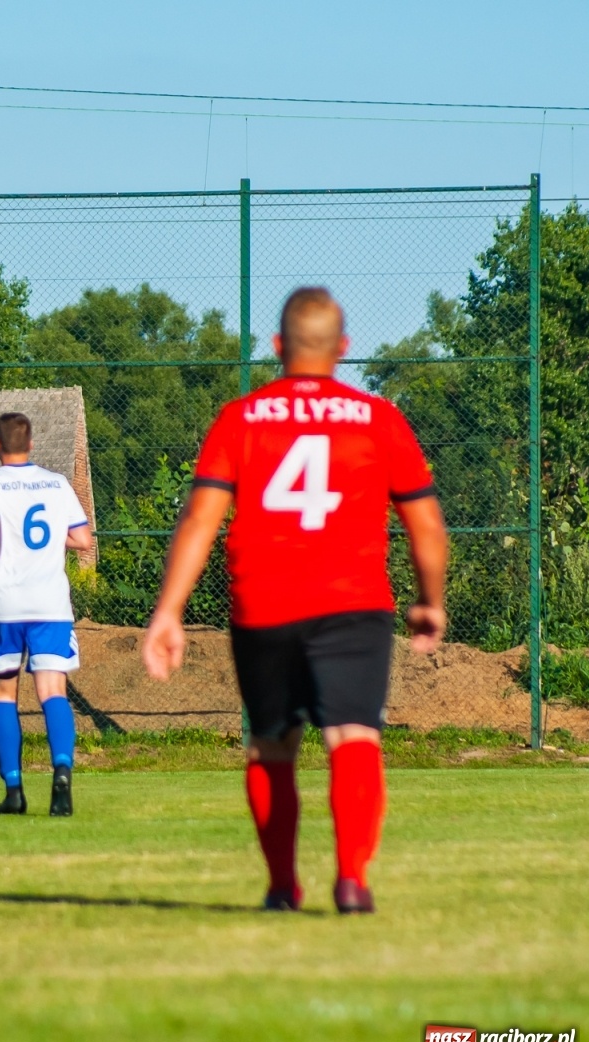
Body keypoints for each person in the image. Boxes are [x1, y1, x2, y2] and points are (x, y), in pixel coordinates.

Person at [141, 287, 448, 915]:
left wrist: (168, 610)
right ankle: (353, 879)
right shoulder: (380, 418)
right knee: (353, 735)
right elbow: (428, 528)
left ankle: (283, 886)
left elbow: (201, 518)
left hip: (264, 601)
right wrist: (429, 601)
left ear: (278, 347)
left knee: (271, 745)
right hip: (354, 602)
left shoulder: (240, 417)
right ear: (343, 349)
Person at [0, 413, 94, 816]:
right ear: (32, 444)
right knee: (52, 691)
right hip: (49, 603)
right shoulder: (57, 483)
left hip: (3, 603)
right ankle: (61, 772)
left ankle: (14, 791)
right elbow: (82, 539)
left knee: (4, 693)